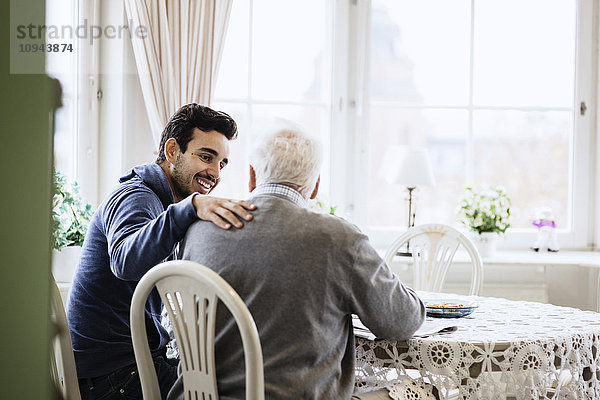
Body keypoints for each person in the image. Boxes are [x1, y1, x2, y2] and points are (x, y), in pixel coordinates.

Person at [168, 122, 425, 400]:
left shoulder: (197, 229)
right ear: (315, 186)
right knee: (421, 391)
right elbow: (401, 322)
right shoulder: (339, 237)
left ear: (252, 177)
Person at [67, 103, 257, 400]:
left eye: (221, 163)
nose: (214, 173)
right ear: (172, 151)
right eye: (206, 157)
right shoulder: (137, 195)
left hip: (116, 366)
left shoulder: (158, 199)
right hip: (112, 375)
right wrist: (189, 208)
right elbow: (125, 261)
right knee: (224, 390)